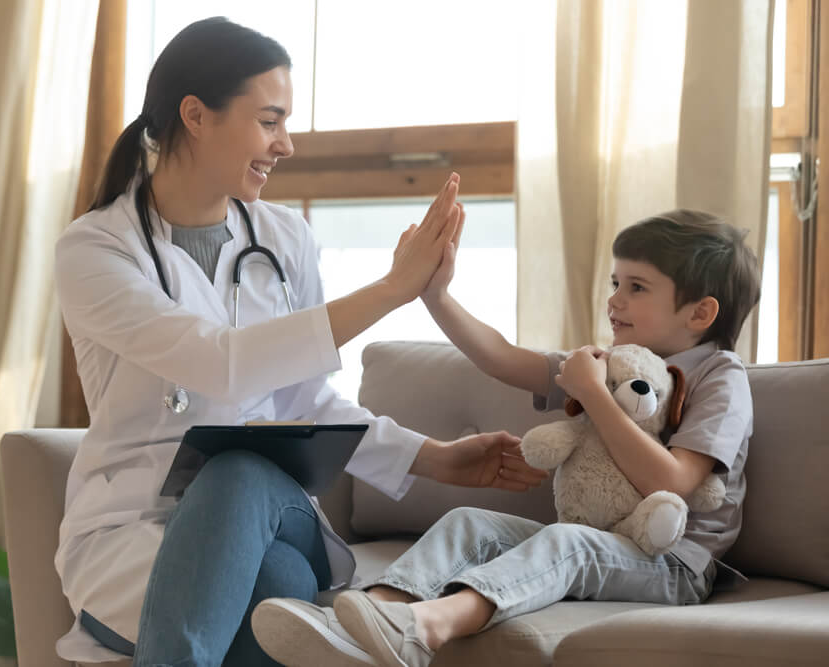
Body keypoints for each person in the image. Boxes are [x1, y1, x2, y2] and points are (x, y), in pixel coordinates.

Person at [52, 17, 547, 667]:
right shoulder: (96, 250)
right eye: (270, 120)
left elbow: (306, 402)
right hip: (131, 532)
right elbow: (220, 362)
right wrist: (395, 287)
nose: (285, 144)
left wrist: (439, 460)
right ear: (196, 116)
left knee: (240, 467)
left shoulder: (285, 239)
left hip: (272, 512)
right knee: (279, 595)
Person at [253, 209, 762, 667]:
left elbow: (672, 480)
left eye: (637, 287)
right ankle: (364, 622)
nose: (614, 300)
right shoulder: (606, 363)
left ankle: (428, 627)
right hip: (604, 542)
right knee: (469, 522)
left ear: (700, 313)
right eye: (616, 282)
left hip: (671, 563)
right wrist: (435, 296)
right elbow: (501, 357)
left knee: (567, 542)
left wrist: (594, 394)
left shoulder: (721, 378)